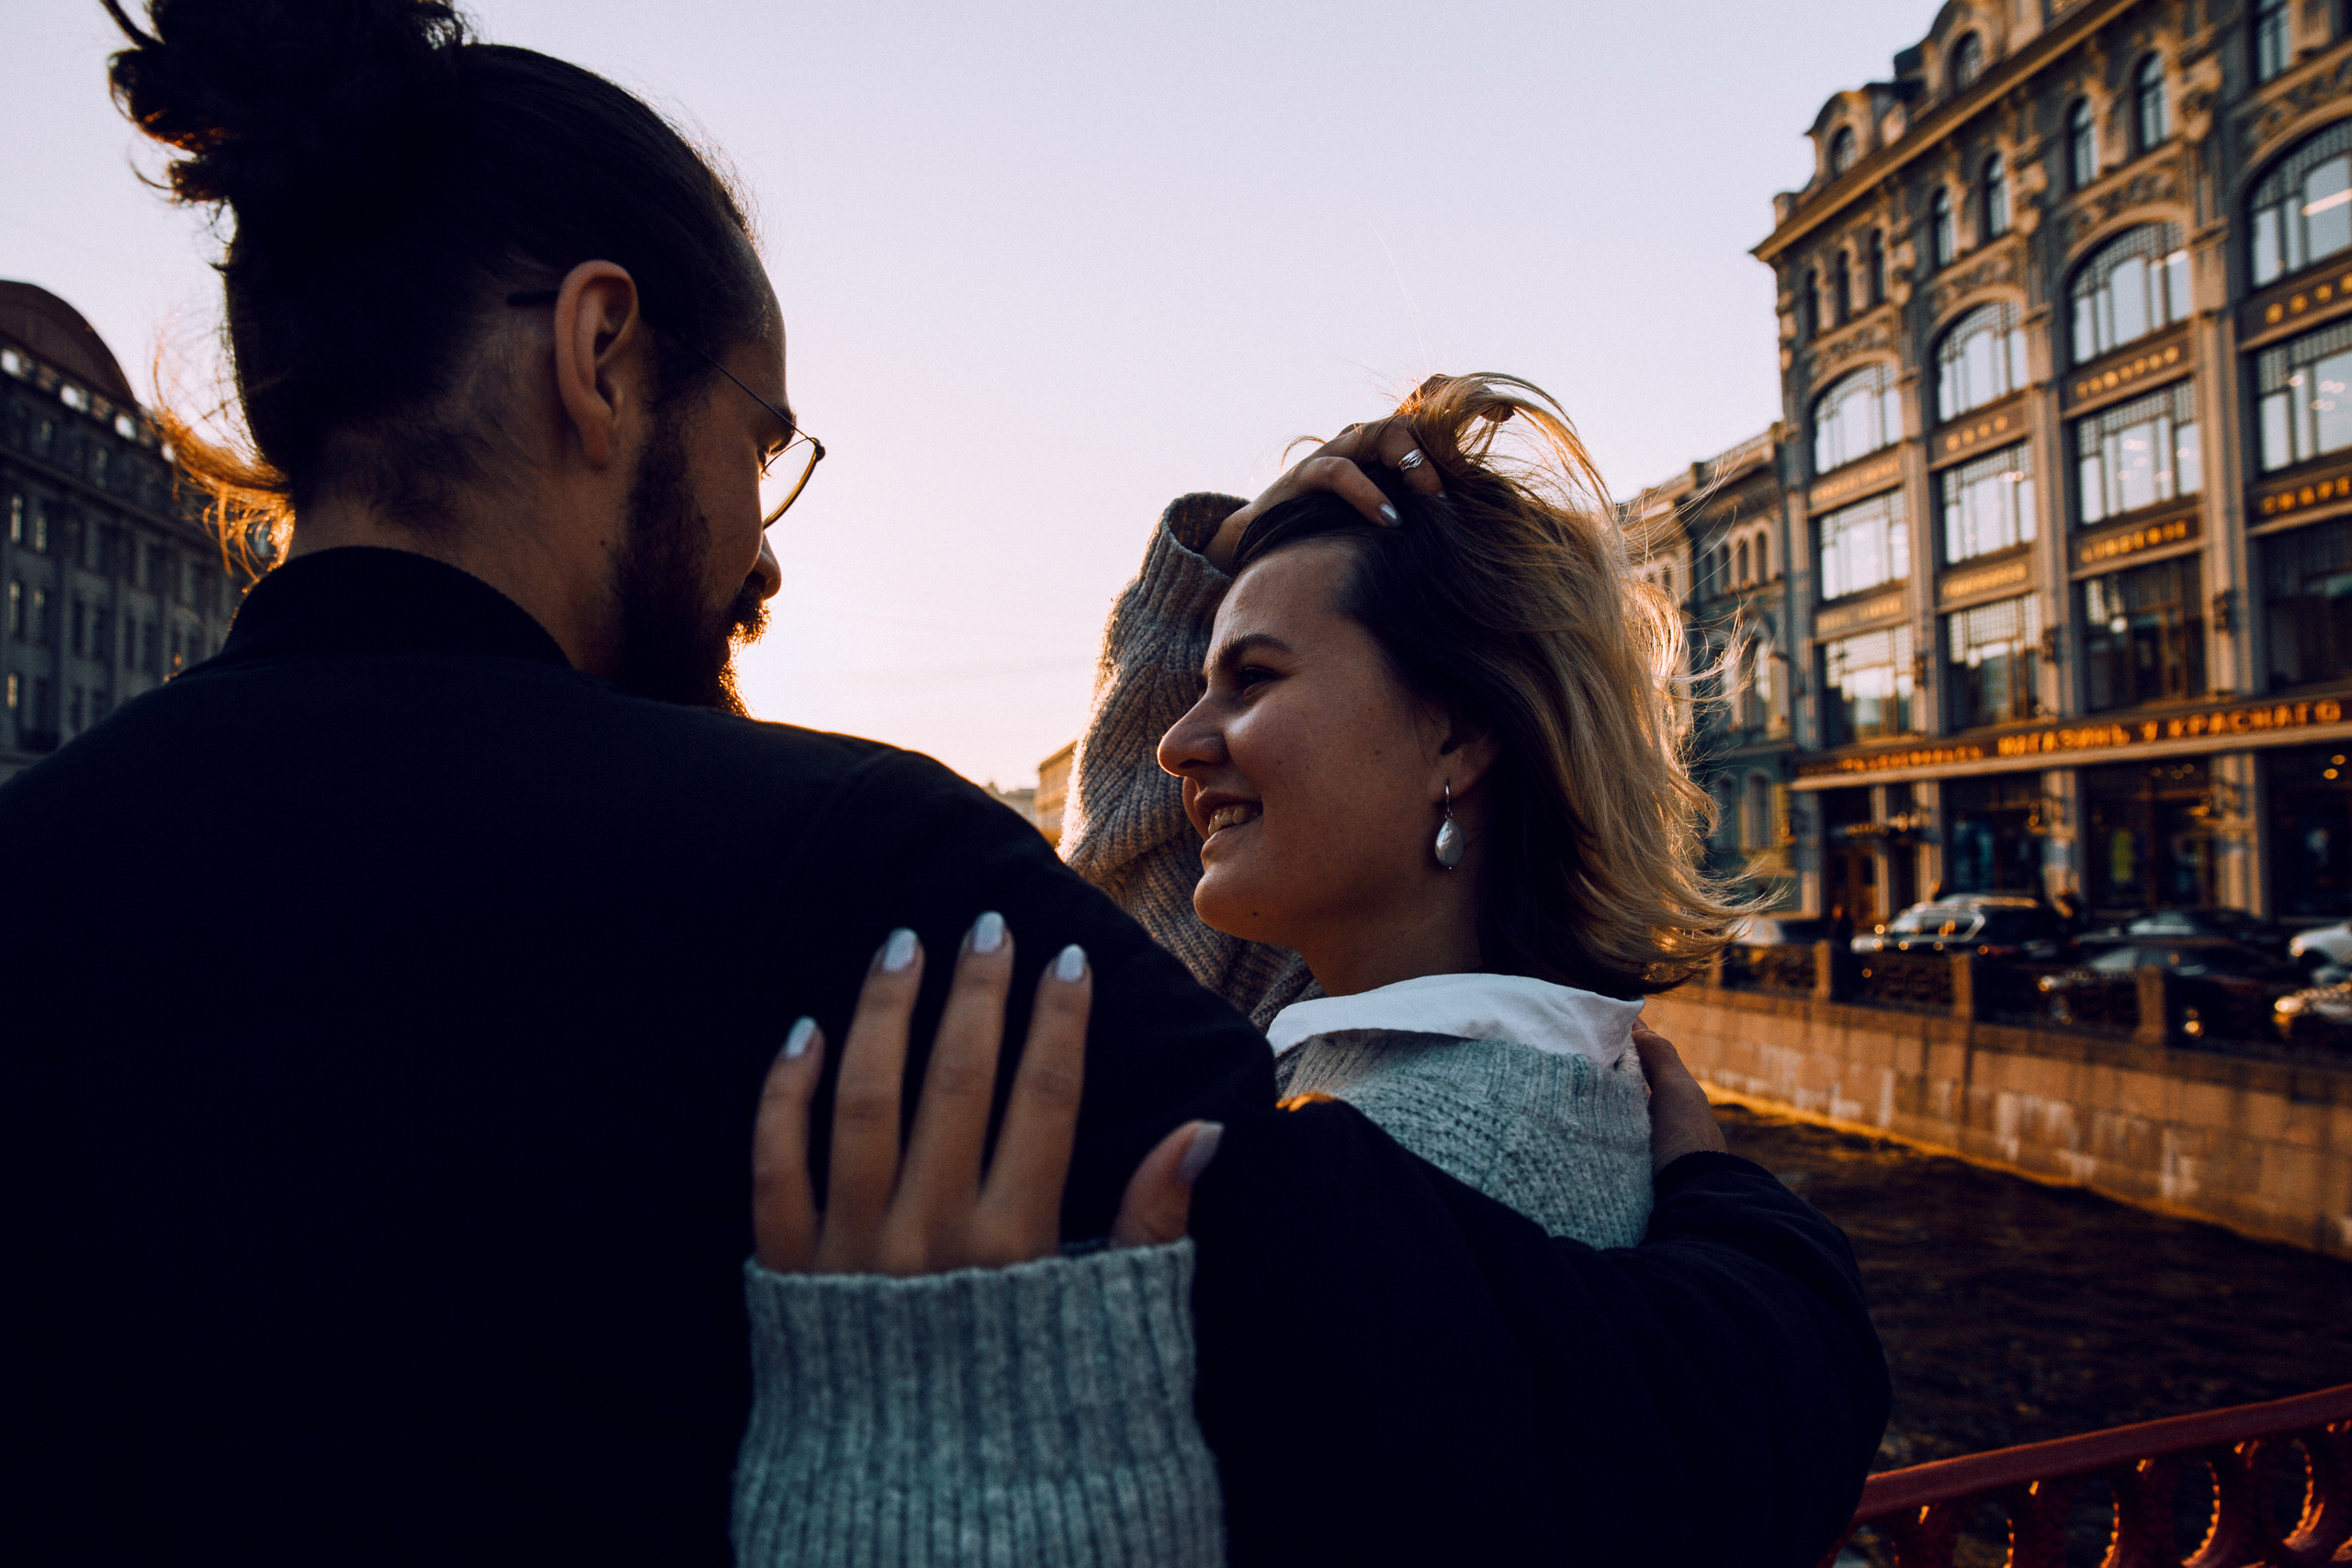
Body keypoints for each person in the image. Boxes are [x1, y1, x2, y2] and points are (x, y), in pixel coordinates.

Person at [1, 3, 1888, 1564]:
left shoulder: (34, 880)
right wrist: (1741, 1223)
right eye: (762, 440)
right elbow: (1599, 1446)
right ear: (600, 354)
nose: (764, 542)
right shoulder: (848, 893)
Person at [1063, 374, 1746, 1249]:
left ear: (1456, 735)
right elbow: (1128, 915)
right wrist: (1230, 557)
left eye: (1254, 678)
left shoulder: (1429, 1159)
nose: (1175, 744)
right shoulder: (1390, 1033)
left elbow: (1112, 938)